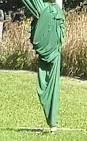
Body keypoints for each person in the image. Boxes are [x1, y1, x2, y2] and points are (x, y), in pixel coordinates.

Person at [21, 0, 66, 130]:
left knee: (49, 82)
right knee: (49, 82)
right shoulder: (50, 10)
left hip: (52, 37)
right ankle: (53, 122)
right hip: (53, 41)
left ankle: (52, 121)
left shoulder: (46, 10)